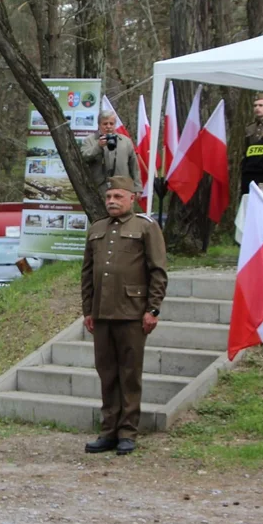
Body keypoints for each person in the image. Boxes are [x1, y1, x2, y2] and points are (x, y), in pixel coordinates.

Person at [81, 177, 167, 456]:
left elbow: (158, 271)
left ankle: (128, 432)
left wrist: (152, 309)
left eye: (118, 196)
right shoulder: (96, 229)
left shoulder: (145, 226)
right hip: (102, 312)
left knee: (130, 375)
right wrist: (88, 310)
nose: (111, 201)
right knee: (106, 374)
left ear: (132, 198)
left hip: (132, 312)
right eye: (108, 197)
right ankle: (108, 431)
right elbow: (87, 273)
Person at [80, 110, 143, 198]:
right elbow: (84, 158)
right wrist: (98, 146)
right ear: (99, 125)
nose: (108, 126)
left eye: (111, 123)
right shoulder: (89, 140)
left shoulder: (126, 141)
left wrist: (137, 188)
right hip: (99, 188)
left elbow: (134, 166)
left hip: (122, 187)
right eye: (105, 124)